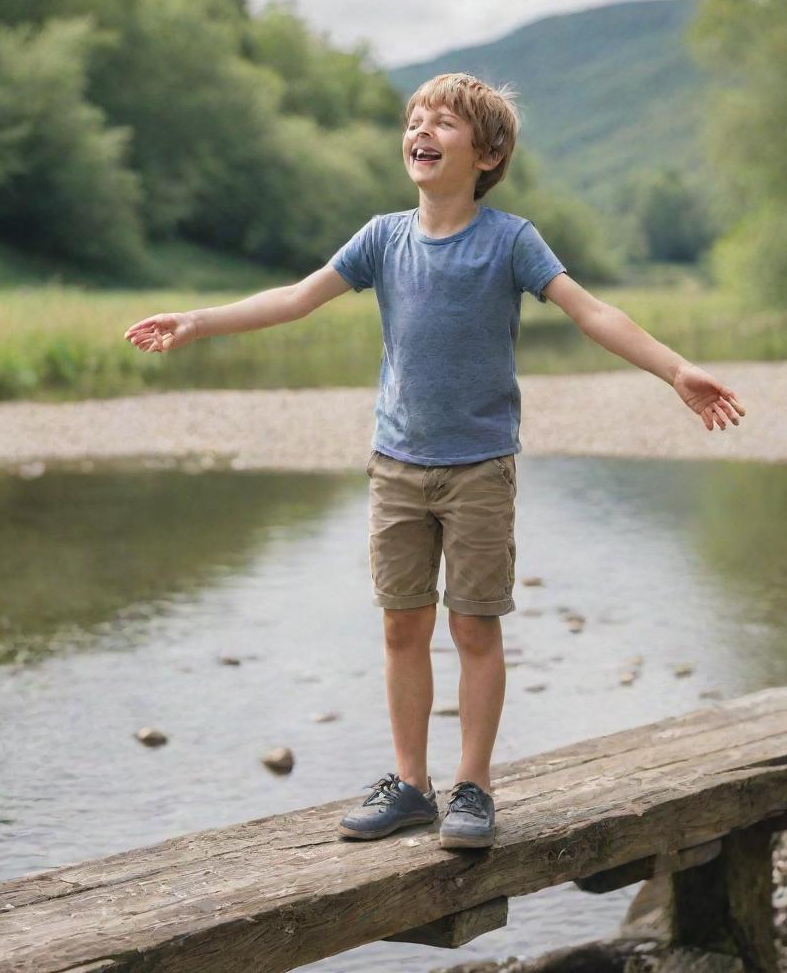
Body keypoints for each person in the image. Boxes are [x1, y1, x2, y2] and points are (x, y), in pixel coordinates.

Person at [123, 72, 747, 851]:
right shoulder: (382, 236)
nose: (420, 130)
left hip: (480, 467)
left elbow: (592, 311)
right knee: (400, 626)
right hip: (397, 466)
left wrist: (676, 369)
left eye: (442, 122)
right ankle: (411, 786)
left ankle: (474, 788)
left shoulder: (511, 241)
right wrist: (197, 320)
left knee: (476, 628)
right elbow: (295, 297)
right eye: (415, 120)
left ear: (487, 153)